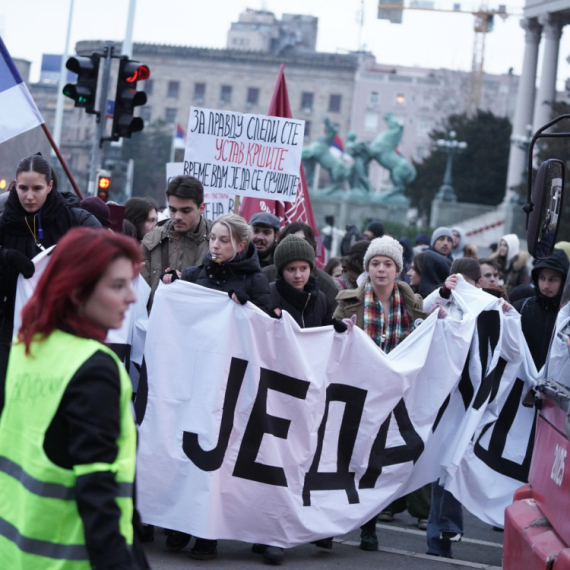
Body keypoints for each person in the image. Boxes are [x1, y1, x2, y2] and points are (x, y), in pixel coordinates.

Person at [0, 228, 148, 569]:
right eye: (117, 285)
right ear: (78, 291)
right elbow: (99, 494)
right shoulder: (95, 368)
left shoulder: (27, 348)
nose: (132, 297)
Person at [165, 214, 271, 560]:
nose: (215, 245)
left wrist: (248, 305)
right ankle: (181, 524)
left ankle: (206, 534)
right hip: (195, 381)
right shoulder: (197, 274)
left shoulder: (255, 280)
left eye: (224, 240)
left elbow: (270, 324)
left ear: (241, 245)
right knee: (187, 454)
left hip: (229, 387)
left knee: (216, 460)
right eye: (213, 238)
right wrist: (172, 283)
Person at [333, 236, 428, 551]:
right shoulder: (349, 300)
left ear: (398, 269)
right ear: (367, 268)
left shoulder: (414, 304)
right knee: (343, 457)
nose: (381, 269)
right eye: (375, 263)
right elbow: (330, 345)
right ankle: (326, 525)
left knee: (375, 463)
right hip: (356, 390)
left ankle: (368, 527)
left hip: (392, 396)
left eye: (388, 264)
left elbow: (427, 341)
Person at [0, 154, 101, 391]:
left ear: (50, 186)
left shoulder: (73, 218)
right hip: (8, 326)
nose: (29, 196)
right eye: (23, 188)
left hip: (57, 326)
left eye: (37, 188)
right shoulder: (4, 221)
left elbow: (107, 249)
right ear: (15, 185)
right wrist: (6, 255)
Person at [141, 175, 211, 308]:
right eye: (172, 210)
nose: (177, 217)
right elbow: (139, 298)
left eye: (186, 210)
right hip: (156, 324)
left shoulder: (217, 243)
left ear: (201, 208)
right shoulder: (151, 242)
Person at [513, 248, 569, 370]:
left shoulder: (567, 318)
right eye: (542, 278)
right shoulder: (521, 308)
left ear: (564, 281)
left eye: (553, 279)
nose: (545, 286)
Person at [263, 222, 339, 310]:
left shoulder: (326, 285)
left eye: (303, 268)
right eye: (290, 241)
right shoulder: (265, 276)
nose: (298, 275)